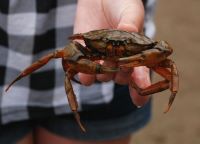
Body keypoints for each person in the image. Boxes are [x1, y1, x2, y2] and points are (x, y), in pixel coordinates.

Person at [0, 0, 156, 143]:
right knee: (62, 57)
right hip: (5, 54)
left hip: (105, 92)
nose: (113, 47)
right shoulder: (83, 46)